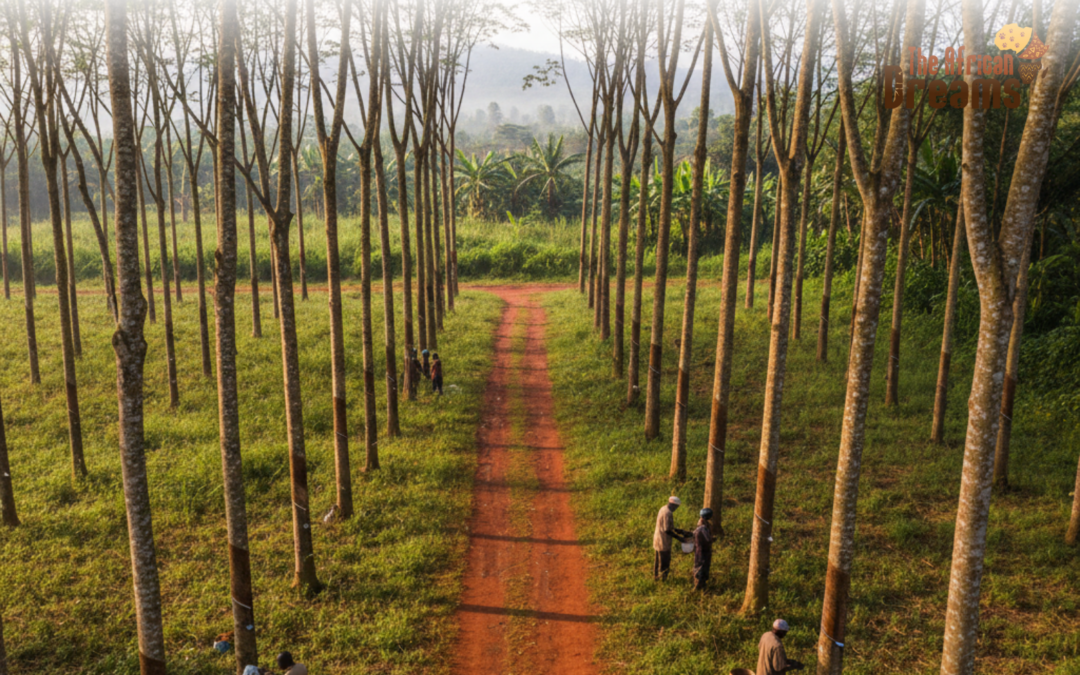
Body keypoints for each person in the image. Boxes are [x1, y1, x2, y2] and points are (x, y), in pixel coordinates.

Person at [652, 496, 690, 581]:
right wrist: (679, 538)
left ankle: (656, 577)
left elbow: (668, 526)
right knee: (664, 561)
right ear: (673, 505)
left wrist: (680, 531)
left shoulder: (663, 508)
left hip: (658, 537)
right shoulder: (668, 513)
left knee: (658, 560)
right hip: (663, 540)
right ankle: (663, 579)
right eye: (676, 507)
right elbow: (667, 530)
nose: (675, 509)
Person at [692, 508, 714, 591]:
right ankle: (698, 586)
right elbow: (708, 539)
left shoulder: (701, 524)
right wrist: (712, 539)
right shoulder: (703, 528)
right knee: (700, 567)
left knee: (700, 566)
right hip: (702, 551)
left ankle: (701, 584)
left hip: (700, 550)